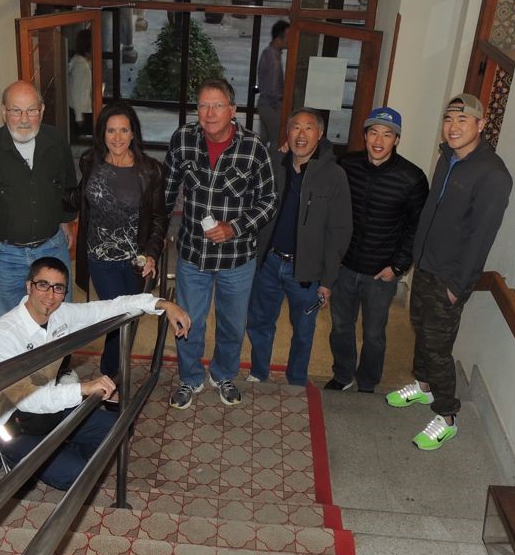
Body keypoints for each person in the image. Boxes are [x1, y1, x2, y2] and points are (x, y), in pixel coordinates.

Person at [0, 256, 190, 489]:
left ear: (64, 293)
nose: (50, 295)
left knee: (120, 428)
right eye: (43, 285)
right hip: (14, 425)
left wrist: (163, 304)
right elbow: (27, 399)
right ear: (29, 286)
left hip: (52, 409)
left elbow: (110, 307)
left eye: (58, 288)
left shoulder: (60, 314)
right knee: (77, 476)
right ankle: (16, 454)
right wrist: (83, 389)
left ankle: (59, 454)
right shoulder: (3, 334)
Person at [385, 94, 512, 450]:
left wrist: (459, 284)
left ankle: (447, 415)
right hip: (426, 265)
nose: (453, 127)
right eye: (449, 119)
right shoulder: (448, 158)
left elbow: (481, 236)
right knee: (420, 328)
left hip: (450, 277)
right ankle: (424, 386)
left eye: (463, 120)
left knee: (438, 347)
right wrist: (417, 257)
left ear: (481, 125)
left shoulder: (493, 174)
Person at [163, 78, 277, 409]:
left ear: (232, 110)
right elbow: (166, 193)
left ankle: (223, 374)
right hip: (192, 255)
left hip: (237, 258)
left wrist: (235, 228)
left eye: (217, 106)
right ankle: (190, 378)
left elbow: (269, 201)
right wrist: (155, 238)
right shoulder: (183, 140)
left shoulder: (254, 147)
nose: (209, 113)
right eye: (203, 106)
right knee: (188, 322)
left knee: (232, 325)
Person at [244, 108, 351, 386]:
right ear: (287, 133)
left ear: (320, 134)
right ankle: (258, 371)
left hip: (306, 272)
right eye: (295, 128)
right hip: (268, 263)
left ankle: (296, 380)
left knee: (304, 331)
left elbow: (339, 232)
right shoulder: (274, 164)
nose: (301, 134)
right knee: (259, 322)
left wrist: (327, 280)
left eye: (309, 128)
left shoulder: (334, 175)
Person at [325, 107, 428, 394]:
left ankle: (368, 383)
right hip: (345, 266)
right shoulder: (347, 165)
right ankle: (343, 375)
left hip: (381, 273)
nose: (379, 140)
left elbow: (417, 227)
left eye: (387, 134)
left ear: (397, 139)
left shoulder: (412, 178)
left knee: (373, 334)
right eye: (373, 133)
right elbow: (319, 172)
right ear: (365, 136)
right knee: (341, 328)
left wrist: (397, 267)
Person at [64, 100, 168, 379]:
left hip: (135, 261)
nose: (118, 137)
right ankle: (111, 377)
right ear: (103, 134)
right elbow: (79, 196)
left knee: (130, 318)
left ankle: (114, 373)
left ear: (133, 133)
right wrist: (51, 192)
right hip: (100, 259)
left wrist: (152, 254)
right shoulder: (91, 162)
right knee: (116, 318)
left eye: (124, 130)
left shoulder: (150, 170)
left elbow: (159, 218)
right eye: (111, 130)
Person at [0, 81, 78, 321]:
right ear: (4, 111)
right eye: (16, 111)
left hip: (52, 247)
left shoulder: (56, 142)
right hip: (3, 257)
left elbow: (68, 185)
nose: (24, 119)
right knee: (7, 323)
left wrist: (66, 221)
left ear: (42, 110)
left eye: (31, 110)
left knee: (60, 318)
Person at [255, 20, 289, 147]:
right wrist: (280, 107)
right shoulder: (273, 59)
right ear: (279, 38)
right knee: (278, 142)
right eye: (289, 36)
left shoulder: (268, 52)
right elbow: (272, 89)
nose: (291, 39)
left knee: (263, 139)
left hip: (265, 103)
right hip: (271, 106)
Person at [67, 28, 93, 139]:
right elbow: (77, 93)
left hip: (81, 111)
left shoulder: (80, 60)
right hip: (81, 112)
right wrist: (79, 118)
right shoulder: (81, 66)